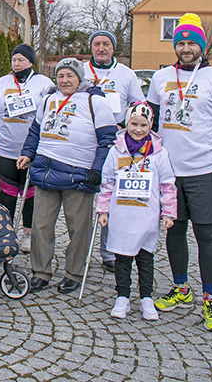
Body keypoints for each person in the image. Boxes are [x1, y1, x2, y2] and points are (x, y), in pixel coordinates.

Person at [147, 13, 212, 332]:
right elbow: (149, 123)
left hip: (202, 170)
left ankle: (210, 300)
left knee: (206, 235)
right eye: (181, 43)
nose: (186, 48)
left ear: (201, 46)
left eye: (191, 43)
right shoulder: (160, 78)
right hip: (168, 171)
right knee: (174, 230)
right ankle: (181, 288)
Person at [16, 57, 117, 294]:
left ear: (80, 78)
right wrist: (27, 154)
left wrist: (97, 169)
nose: (64, 80)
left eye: (70, 75)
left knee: (78, 228)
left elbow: (108, 139)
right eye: (60, 75)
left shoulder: (95, 102)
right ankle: (40, 271)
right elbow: (35, 131)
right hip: (45, 171)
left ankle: (74, 272)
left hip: (78, 174)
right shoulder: (48, 99)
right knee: (40, 226)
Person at [95, 102, 177, 320]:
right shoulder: (116, 151)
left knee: (144, 257)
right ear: (126, 124)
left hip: (146, 214)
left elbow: (168, 185)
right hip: (122, 214)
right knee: (122, 257)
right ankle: (122, 296)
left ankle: (146, 297)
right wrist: (102, 210)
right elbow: (107, 182)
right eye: (134, 124)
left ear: (150, 125)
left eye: (143, 125)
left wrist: (169, 213)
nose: (138, 129)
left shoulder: (159, 153)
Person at [84, 29, 145, 273]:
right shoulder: (81, 71)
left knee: (111, 198)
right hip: (85, 141)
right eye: (96, 43)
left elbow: (140, 105)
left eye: (106, 44)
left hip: (116, 143)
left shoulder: (126, 74)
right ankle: (82, 251)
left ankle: (109, 253)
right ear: (91, 47)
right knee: (84, 199)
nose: (101, 48)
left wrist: (128, 123)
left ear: (113, 48)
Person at [0, 44, 54, 254]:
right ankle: (3, 232)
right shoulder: (2, 82)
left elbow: (52, 113)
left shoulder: (44, 83)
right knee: (7, 192)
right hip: (6, 148)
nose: (16, 64)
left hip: (32, 150)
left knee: (30, 194)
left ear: (31, 62)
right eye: (14, 60)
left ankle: (28, 234)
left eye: (21, 60)